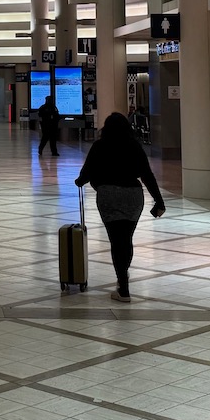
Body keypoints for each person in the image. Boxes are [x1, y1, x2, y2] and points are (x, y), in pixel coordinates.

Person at [73, 112, 165, 303]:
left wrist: (80, 181)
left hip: (109, 196)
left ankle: (123, 286)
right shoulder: (134, 146)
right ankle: (123, 278)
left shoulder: (100, 146)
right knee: (126, 238)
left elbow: (86, 173)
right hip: (133, 195)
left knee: (116, 241)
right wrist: (159, 201)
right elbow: (147, 175)